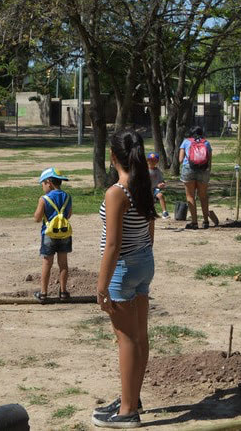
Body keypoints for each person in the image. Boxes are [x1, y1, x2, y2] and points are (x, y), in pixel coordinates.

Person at [92, 128, 158, 429]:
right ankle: (132, 397)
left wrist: (101, 286)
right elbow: (151, 225)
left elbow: (113, 245)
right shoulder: (143, 183)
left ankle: (128, 411)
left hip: (124, 267)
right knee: (140, 335)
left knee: (126, 339)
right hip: (144, 260)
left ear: (113, 156)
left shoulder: (117, 192)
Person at [32, 167, 73, 301]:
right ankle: (63, 292)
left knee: (47, 263)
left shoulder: (44, 199)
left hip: (49, 234)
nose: (42, 187)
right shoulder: (68, 196)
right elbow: (68, 215)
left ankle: (43, 293)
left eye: (43, 183)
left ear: (49, 182)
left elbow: (37, 218)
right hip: (64, 233)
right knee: (63, 263)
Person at [178, 126, 215, 230]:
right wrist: (208, 171)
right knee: (203, 196)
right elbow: (209, 160)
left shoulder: (186, 142)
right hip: (203, 170)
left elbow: (180, 160)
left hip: (188, 169)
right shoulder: (206, 143)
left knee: (190, 196)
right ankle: (206, 221)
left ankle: (194, 222)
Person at [147, 152, 170, 219]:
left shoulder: (158, 171)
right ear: (147, 160)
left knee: (160, 195)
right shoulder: (144, 170)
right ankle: (150, 212)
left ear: (157, 161)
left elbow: (161, 181)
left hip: (155, 189)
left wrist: (161, 184)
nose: (152, 161)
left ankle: (164, 212)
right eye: (150, 160)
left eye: (154, 160)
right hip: (146, 190)